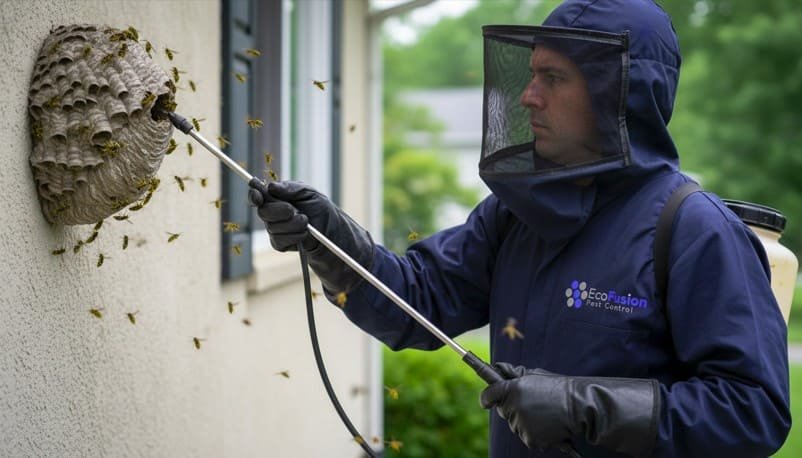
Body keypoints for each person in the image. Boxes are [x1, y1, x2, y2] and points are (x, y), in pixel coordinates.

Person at [249, 0, 791, 456]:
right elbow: (414, 302)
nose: (528, 96)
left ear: (617, 94)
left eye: (553, 78)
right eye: (532, 74)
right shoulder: (516, 214)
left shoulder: (694, 229)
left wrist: (584, 407)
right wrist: (327, 240)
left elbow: (753, 411)